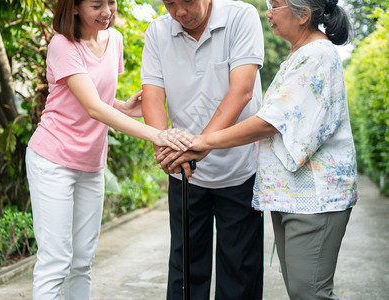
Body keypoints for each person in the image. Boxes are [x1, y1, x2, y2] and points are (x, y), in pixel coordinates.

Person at [175, 0, 358, 298]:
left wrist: (203, 141)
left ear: (303, 15)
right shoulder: (300, 55)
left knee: (310, 292)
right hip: (297, 196)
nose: (268, 13)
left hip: (317, 194)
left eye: (275, 5)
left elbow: (269, 122)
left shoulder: (316, 55)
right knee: (302, 290)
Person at [25, 0, 192, 299]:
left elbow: (96, 96)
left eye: (111, 2)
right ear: (74, 8)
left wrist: (124, 107)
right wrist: (159, 135)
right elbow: (92, 107)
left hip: (91, 163)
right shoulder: (63, 44)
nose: (106, 11)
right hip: (53, 160)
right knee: (56, 261)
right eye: (95, 5)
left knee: (82, 261)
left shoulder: (114, 39)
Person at [141, 0, 265, 298]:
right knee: (185, 274)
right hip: (183, 170)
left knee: (239, 275)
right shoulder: (157, 32)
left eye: (187, 2)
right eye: (170, 3)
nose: (180, 12)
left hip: (240, 170)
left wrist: (202, 144)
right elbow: (153, 96)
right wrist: (164, 144)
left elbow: (242, 90)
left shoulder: (241, 16)